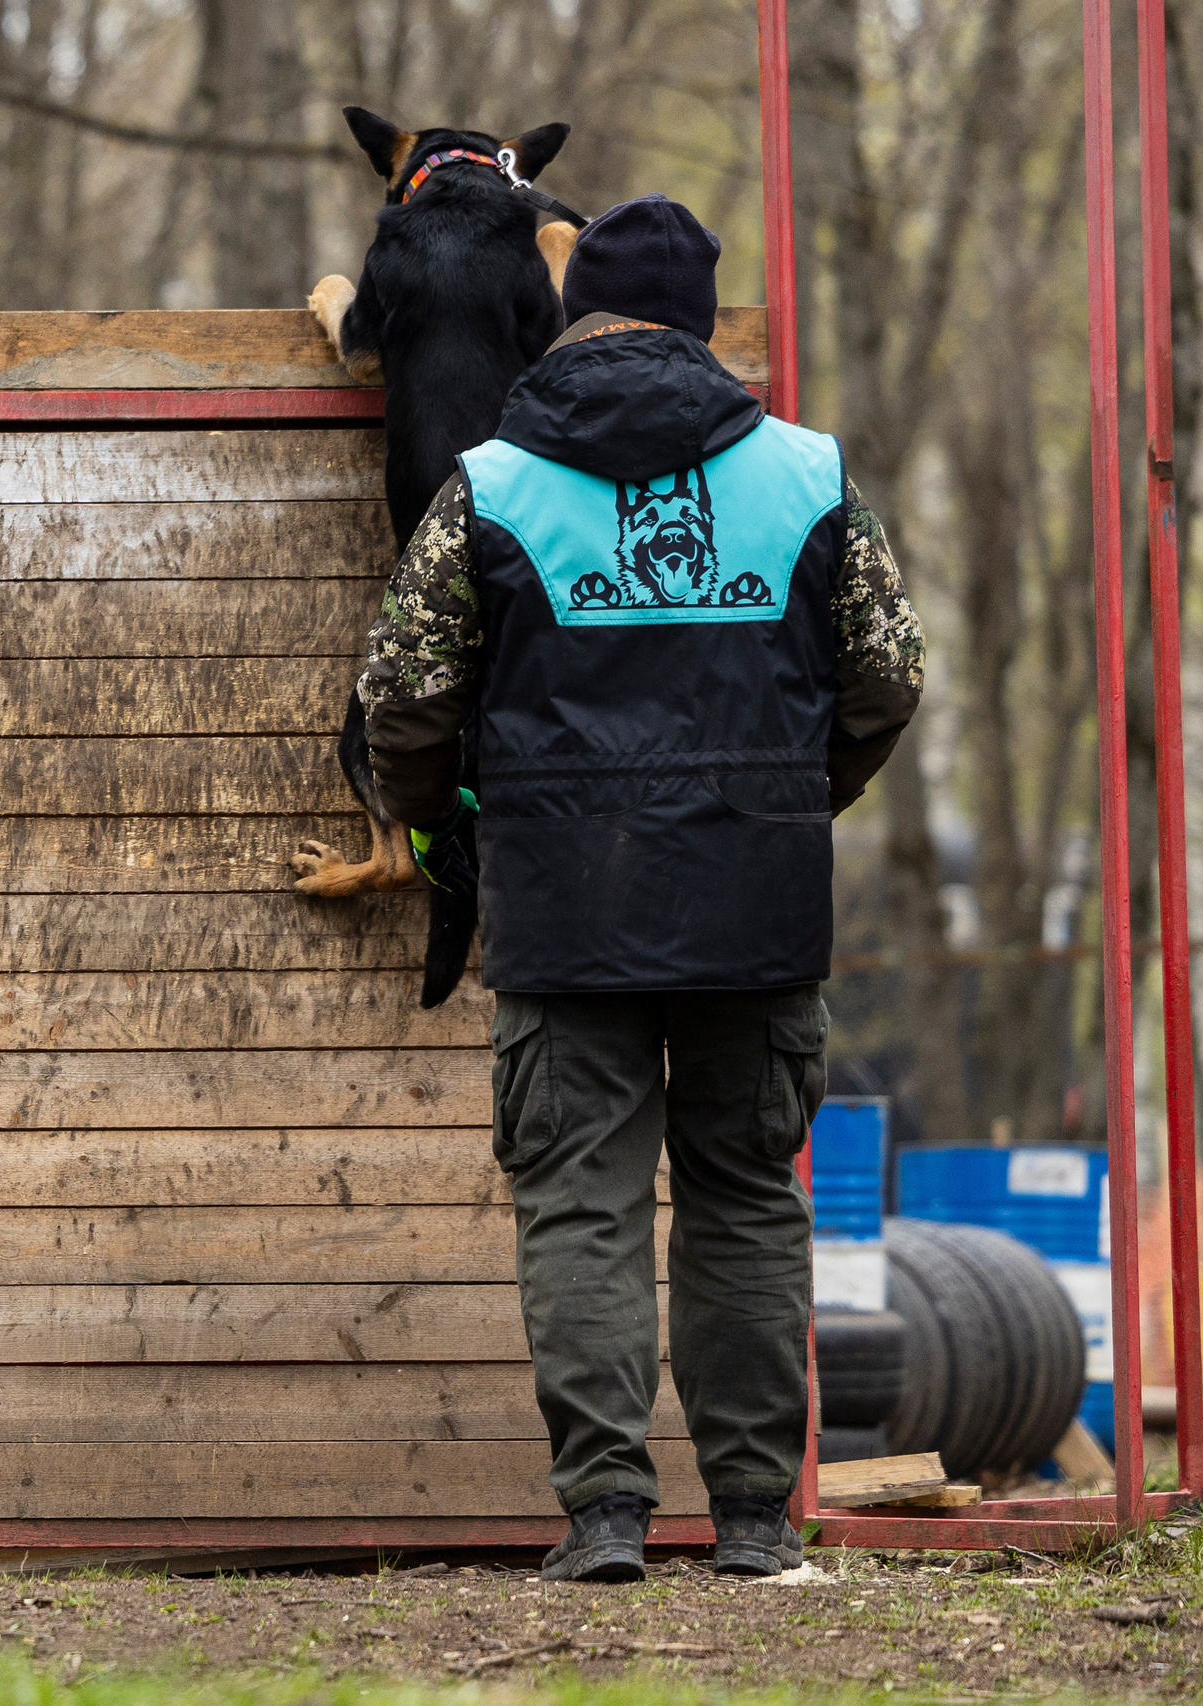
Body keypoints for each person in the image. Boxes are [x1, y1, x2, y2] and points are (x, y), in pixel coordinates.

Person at [357, 193, 923, 1581]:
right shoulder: (807, 474)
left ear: (571, 313)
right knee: (742, 1196)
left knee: (584, 1202)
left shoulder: (491, 483)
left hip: (563, 908)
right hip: (760, 902)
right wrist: (801, 795)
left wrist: (444, 827)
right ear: (708, 324)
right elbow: (889, 676)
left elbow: (404, 698)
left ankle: (607, 1511)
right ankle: (748, 1518)